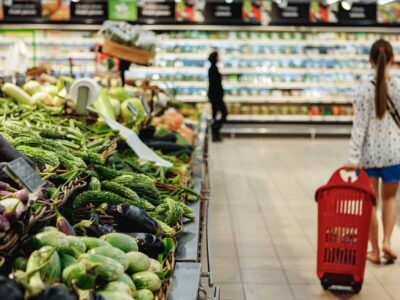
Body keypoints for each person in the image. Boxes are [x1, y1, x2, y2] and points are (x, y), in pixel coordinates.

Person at [346, 39, 400, 264]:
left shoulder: (362, 91)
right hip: (394, 154)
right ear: (392, 59)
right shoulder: (398, 86)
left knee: (371, 203)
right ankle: (388, 241)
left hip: (368, 156)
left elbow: (359, 128)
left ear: (370, 59)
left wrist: (352, 159)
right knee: (390, 198)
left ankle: (375, 251)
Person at [208, 50, 227, 142]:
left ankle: (215, 133)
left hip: (214, 95)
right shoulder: (213, 69)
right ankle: (215, 130)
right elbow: (215, 84)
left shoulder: (213, 68)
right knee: (224, 113)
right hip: (216, 96)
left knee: (215, 114)